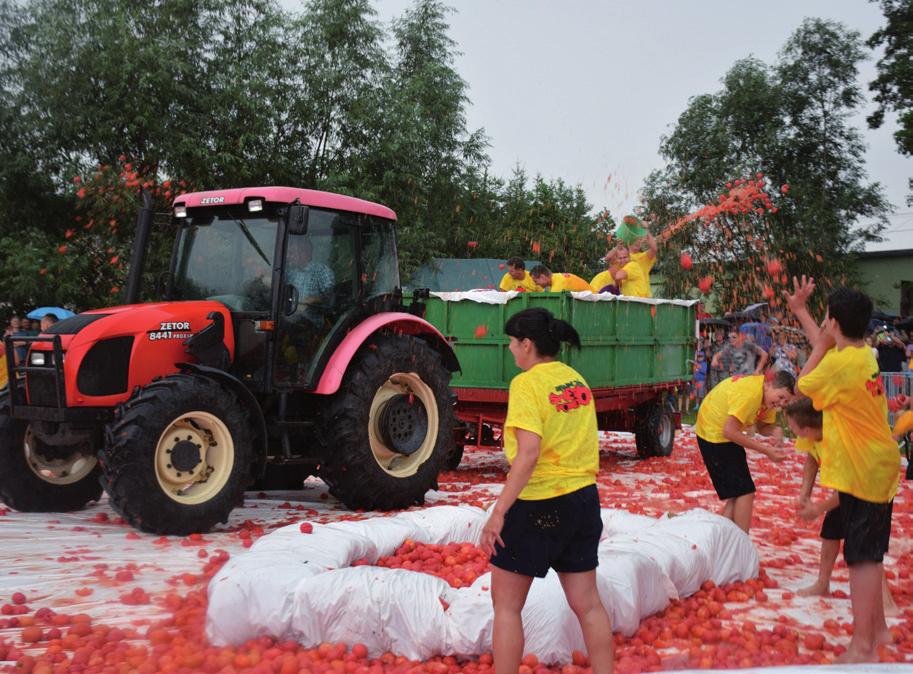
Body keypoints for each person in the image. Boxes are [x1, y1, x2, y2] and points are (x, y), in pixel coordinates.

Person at [479, 307, 613, 674]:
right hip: (583, 499)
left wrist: (498, 512)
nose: (509, 349)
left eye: (511, 342)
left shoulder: (527, 384)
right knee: (588, 605)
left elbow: (528, 454)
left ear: (527, 344)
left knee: (506, 606)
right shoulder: (575, 381)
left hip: (540, 502)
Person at [786, 277, 899, 663]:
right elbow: (829, 347)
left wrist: (818, 341)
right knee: (870, 553)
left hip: (864, 471)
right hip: (875, 467)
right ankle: (880, 631)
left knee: (862, 559)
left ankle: (862, 646)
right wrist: (801, 311)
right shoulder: (862, 354)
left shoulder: (839, 366)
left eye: (825, 318)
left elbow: (804, 383)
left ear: (833, 322)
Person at [785, 397, 899, 614]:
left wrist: (818, 508)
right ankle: (822, 583)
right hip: (849, 482)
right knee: (831, 531)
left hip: (875, 480)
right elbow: (812, 458)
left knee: (866, 545)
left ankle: (885, 601)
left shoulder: (841, 442)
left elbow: (850, 489)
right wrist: (804, 494)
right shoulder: (814, 434)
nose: (790, 430)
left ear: (807, 429)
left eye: (792, 427)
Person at [693, 369, 795, 533]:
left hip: (721, 433)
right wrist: (766, 450)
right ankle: (741, 543)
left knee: (738, 494)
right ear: (768, 384)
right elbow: (729, 431)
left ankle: (726, 541)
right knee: (745, 492)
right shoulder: (751, 394)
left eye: (786, 401)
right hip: (713, 433)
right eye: (781, 397)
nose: (782, 403)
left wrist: (775, 431)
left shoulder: (767, 397)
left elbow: (762, 427)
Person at [529, 265, 593, 293]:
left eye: (535, 281)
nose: (536, 284)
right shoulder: (558, 277)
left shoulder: (558, 285)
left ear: (542, 277)